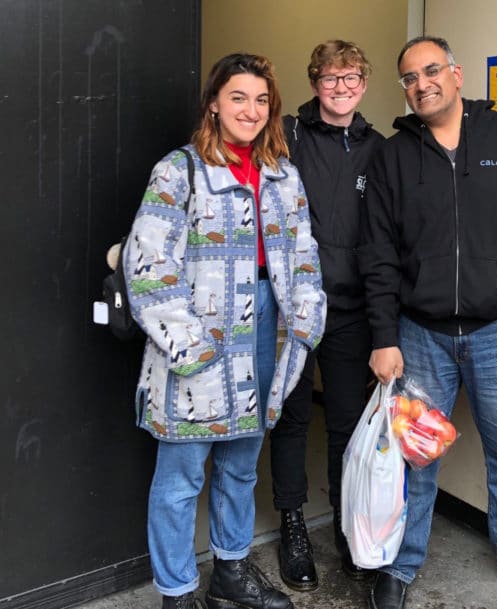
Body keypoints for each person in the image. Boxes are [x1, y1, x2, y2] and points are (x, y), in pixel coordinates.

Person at [357, 36, 497, 609]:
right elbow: (377, 253)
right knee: (415, 456)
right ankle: (399, 565)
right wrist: (384, 337)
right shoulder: (392, 158)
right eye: (409, 78)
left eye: (431, 71)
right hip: (421, 335)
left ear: (456, 75)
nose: (422, 84)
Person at [123, 53, 327, 609]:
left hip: (267, 331)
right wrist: (189, 343)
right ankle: (177, 592)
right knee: (182, 476)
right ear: (214, 103)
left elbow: (304, 254)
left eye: (262, 100)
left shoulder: (283, 175)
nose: (251, 110)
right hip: (199, 334)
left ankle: (231, 572)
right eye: (238, 97)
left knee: (240, 464)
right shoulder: (179, 171)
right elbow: (147, 265)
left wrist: (307, 320)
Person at [268, 40, 384, 591]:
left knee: (345, 422)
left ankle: (344, 524)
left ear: (365, 83)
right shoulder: (286, 136)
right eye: (331, 78)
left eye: (351, 77)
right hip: (291, 306)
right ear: (315, 83)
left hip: (350, 309)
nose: (341, 87)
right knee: (291, 419)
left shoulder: (379, 149)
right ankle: (292, 524)